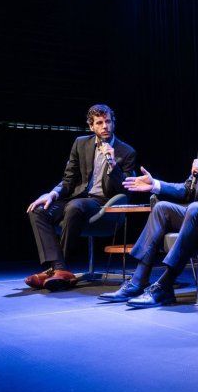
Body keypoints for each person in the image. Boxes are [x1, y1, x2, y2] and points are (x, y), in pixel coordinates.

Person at [98, 104, 198, 307]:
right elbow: (187, 189)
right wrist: (155, 184)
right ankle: (137, 281)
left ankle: (164, 286)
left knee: (195, 208)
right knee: (162, 208)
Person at [25, 104, 137, 291]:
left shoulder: (126, 152)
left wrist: (112, 164)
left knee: (74, 206)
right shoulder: (81, 143)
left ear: (113, 122)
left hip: (104, 204)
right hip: (79, 199)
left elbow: (125, 190)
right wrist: (52, 193)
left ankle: (55, 271)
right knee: (38, 210)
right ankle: (59, 269)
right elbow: (69, 179)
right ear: (91, 126)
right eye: (99, 123)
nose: (105, 126)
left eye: (108, 121)